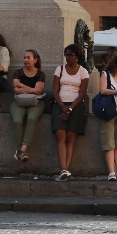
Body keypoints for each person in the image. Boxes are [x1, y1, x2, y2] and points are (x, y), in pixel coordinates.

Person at [51, 43, 89, 181]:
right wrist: (62, 107)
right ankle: (64, 169)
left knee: (71, 137)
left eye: (70, 55)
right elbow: (55, 90)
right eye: (66, 55)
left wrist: (71, 108)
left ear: (77, 57)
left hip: (76, 105)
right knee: (60, 135)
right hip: (60, 104)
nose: (67, 58)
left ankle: (66, 169)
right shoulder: (59, 69)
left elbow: (82, 93)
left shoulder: (83, 72)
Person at [10, 49, 46, 163]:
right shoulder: (18, 72)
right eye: (24, 57)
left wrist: (21, 85)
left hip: (36, 102)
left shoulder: (40, 74)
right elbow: (16, 90)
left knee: (32, 118)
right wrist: (32, 89)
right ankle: (21, 152)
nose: (25, 60)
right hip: (19, 102)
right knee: (17, 120)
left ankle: (22, 150)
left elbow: (38, 92)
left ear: (35, 60)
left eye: (28, 57)